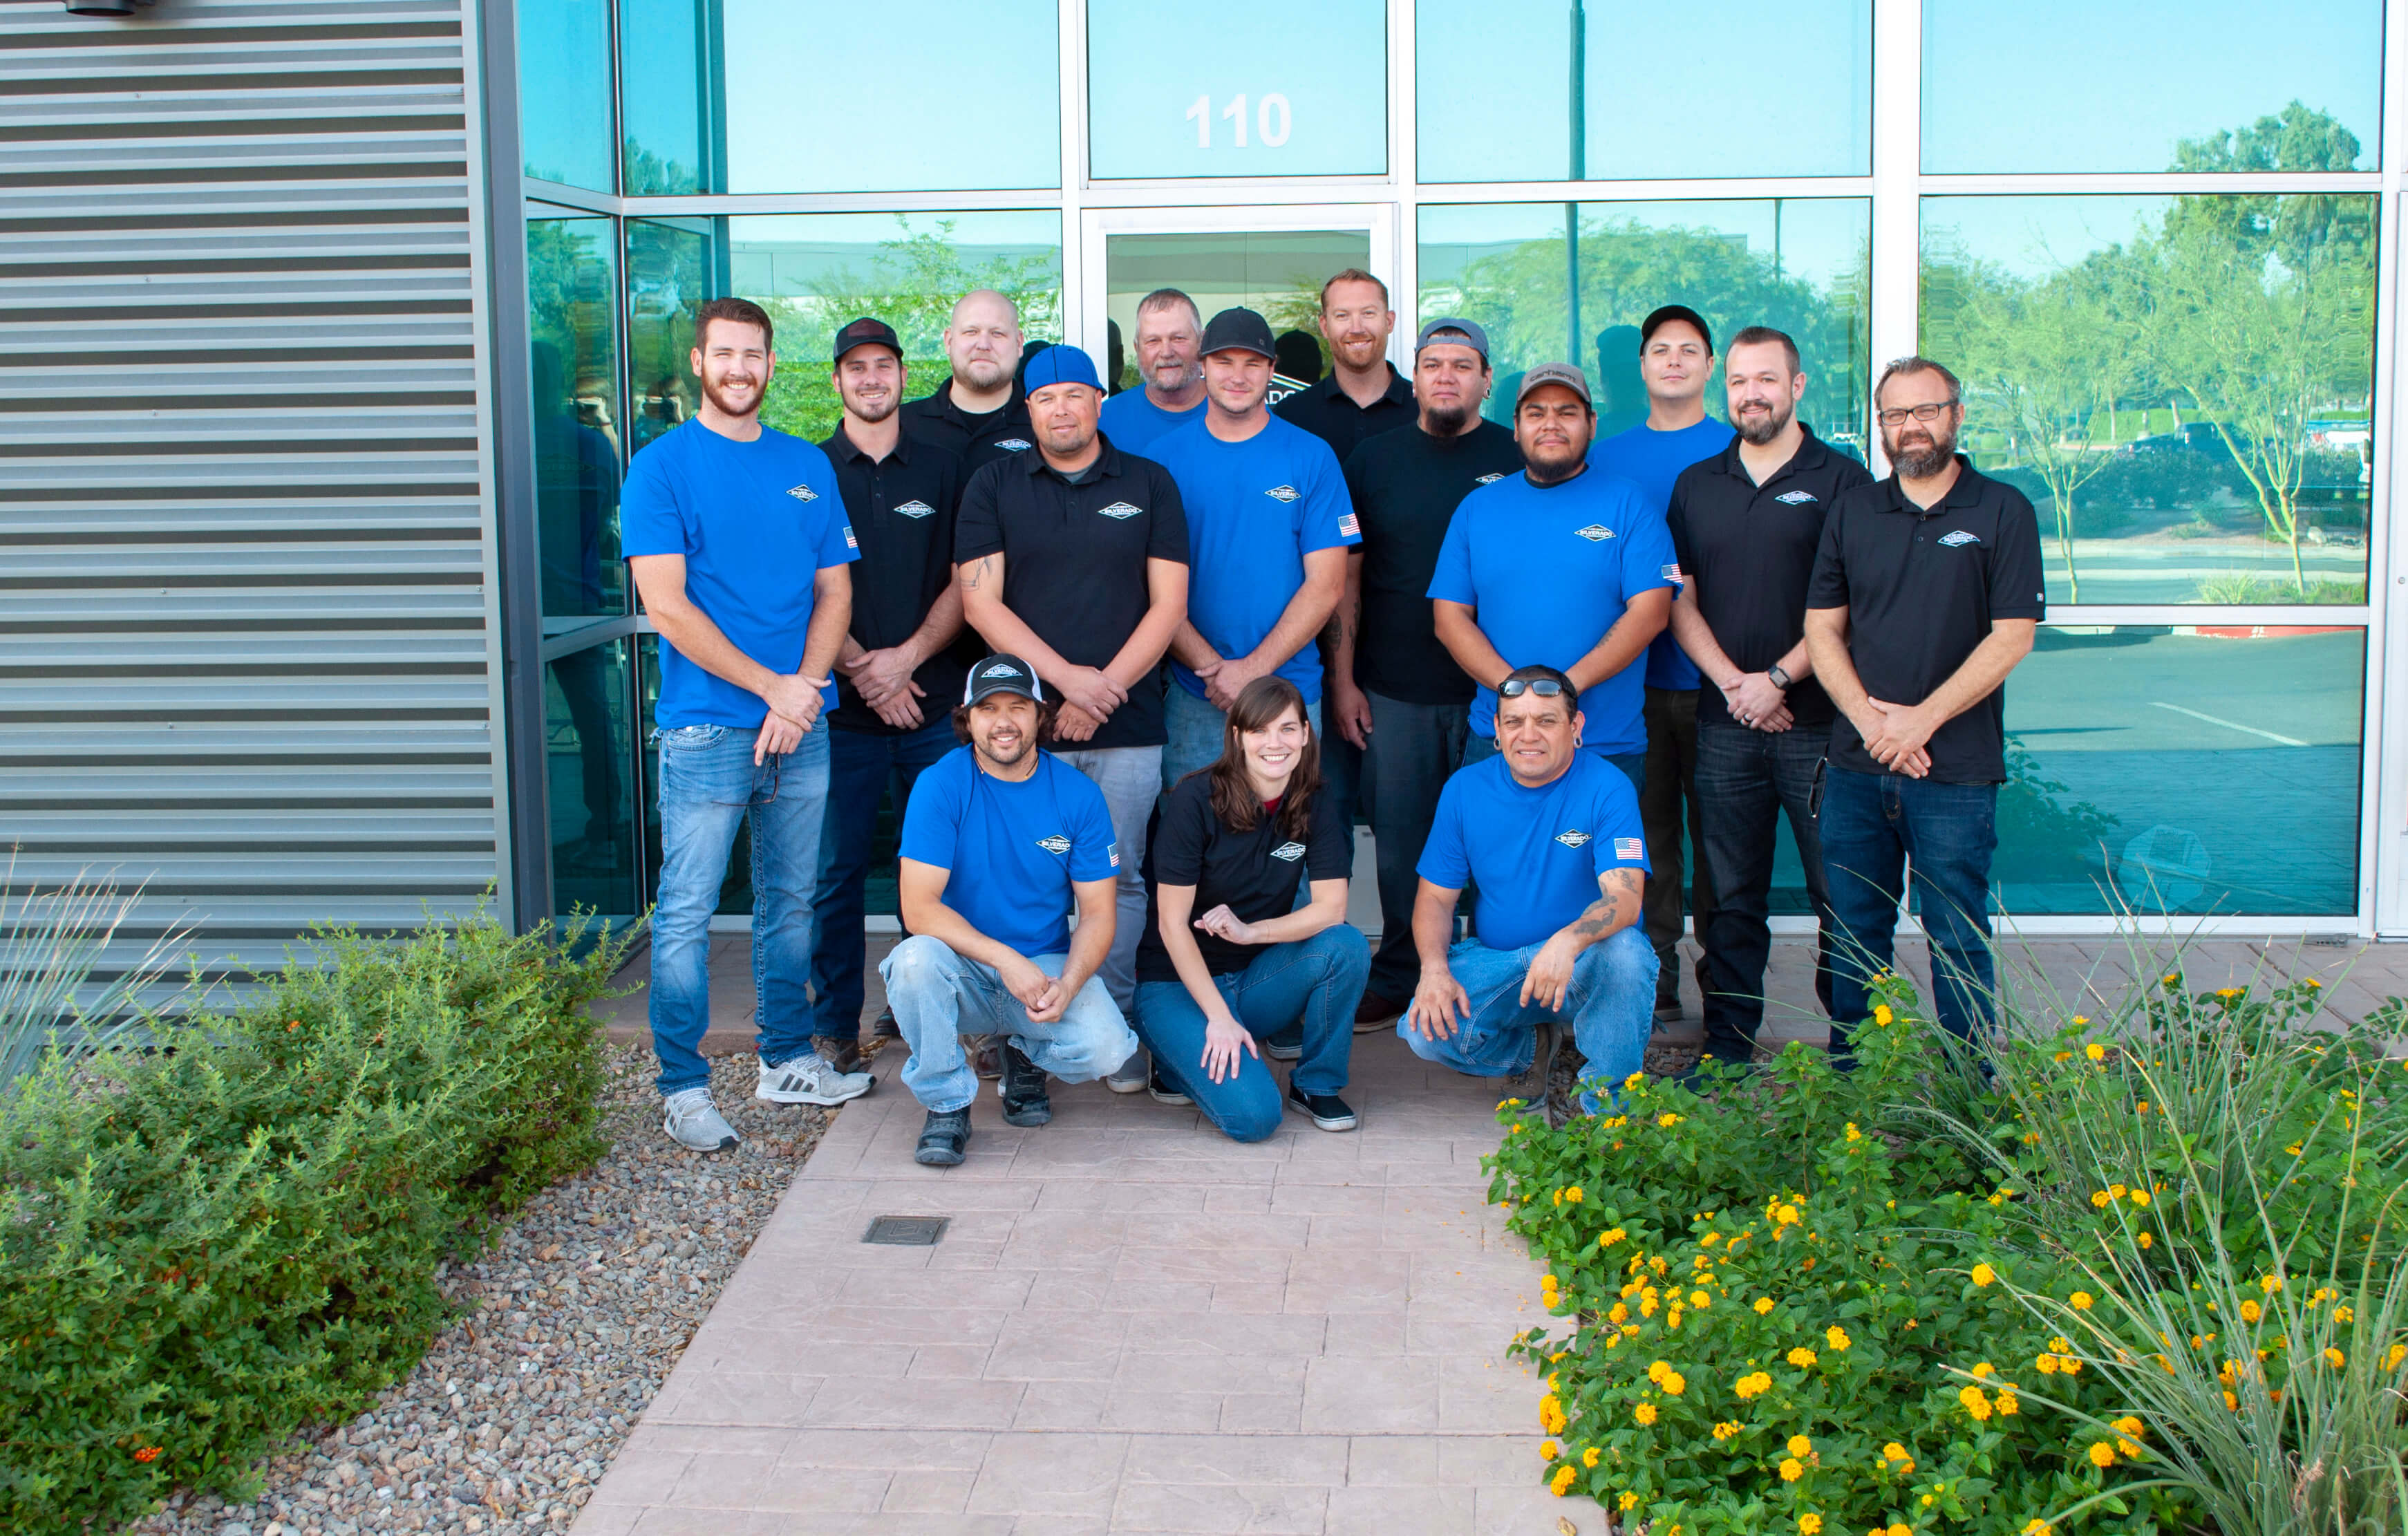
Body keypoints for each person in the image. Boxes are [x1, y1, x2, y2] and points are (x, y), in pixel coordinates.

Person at [623, 297, 876, 1152]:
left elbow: (834, 589)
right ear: (698, 362)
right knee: (689, 909)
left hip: (802, 720)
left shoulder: (806, 463)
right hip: (707, 727)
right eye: (724, 354)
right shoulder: (660, 468)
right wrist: (774, 686)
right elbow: (666, 604)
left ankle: (785, 1057)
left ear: (772, 363)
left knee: (791, 901)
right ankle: (683, 1085)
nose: (740, 368)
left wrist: (803, 687)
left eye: (754, 354)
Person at [1803, 357, 2044, 1065]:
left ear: (1956, 415)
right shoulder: (1853, 509)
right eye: (1894, 414)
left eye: (1924, 410)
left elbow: (2013, 635)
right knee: (1852, 930)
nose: (1909, 427)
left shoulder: (2002, 510)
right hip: (1856, 766)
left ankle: (1969, 1089)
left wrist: (1919, 721)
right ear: (1879, 425)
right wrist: (1877, 727)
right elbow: (1821, 629)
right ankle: (1853, 1083)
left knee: (1957, 931)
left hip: (1954, 772)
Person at [956, 344, 1189, 1030]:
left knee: (1116, 881)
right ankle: (1016, 1027)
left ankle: (1105, 1019)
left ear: (1098, 401)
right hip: (1022, 727)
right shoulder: (992, 485)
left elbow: (1168, 605)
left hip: (1129, 724)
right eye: (1046, 398)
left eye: (1075, 394)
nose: (1061, 409)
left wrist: (1105, 690)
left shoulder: (1150, 483)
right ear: (1028, 408)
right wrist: (1064, 687)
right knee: (1013, 880)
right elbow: (980, 604)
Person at [1669, 326, 1874, 1074]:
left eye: (1765, 379)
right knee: (1727, 894)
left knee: (1839, 890)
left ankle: (1854, 1049)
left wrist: (1778, 680)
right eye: (1738, 381)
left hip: (1819, 725)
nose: (1750, 393)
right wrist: (1734, 683)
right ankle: (1727, 1047)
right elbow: (1678, 597)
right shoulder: (1697, 482)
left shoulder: (1843, 480)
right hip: (1725, 721)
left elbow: (1849, 601)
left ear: (1797, 385)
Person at [1326, 318, 1524, 1029]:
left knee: (1498, 848)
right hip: (1394, 688)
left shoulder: (1517, 452)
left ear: (1485, 379)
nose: (1446, 376)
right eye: (1433, 363)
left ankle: (1494, 979)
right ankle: (1404, 971)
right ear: (1414, 376)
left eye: (1462, 364)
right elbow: (1346, 580)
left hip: (1498, 695)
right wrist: (1343, 679)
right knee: (1404, 847)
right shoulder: (1373, 460)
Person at [881, 655, 1138, 1166]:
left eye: (1018, 707)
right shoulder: (940, 784)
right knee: (912, 964)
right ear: (967, 718)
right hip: (962, 966)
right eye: (988, 708)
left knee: (1110, 1049)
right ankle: (947, 1104)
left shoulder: (1077, 795)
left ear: (1040, 716)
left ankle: (1022, 1051)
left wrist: (1069, 982)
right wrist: (1004, 960)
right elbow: (918, 909)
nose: (1003, 722)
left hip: (1041, 971)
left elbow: (1098, 915)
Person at [806, 317, 972, 1074]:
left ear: (904, 375)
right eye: (856, 369)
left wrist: (904, 661)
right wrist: (861, 669)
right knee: (835, 871)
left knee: (942, 870)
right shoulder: (804, 471)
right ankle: (836, 1022)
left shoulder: (945, 466)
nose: (871, 379)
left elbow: (967, 581)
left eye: (884, 366)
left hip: (934, 707)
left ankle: (922, 1005)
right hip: (840, 715)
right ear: (836, 380)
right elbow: (794, 586)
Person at [1400, 664, 1657, 1110]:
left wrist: (1566, 941)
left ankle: (1611, 1113)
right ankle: (1530, 1051)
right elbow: (1435, 900)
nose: (1529, 735)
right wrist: (1434, 970)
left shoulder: (1608, 787)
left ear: (1575, 727)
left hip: (1582, 962)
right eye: (1515, 722)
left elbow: (1625, 898)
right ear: (1496, 730)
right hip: (1504, 967)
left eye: (1546, 721)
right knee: (1422, 1030)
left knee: (1628, 954)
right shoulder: (1464, 790)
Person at [1134, 676, 1368, 1141]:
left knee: (1346, 945)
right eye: (1259, 731)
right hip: (1176, 985)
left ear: (1305, 732)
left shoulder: (1313, 800)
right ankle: (1175, 1055)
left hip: (1256, 977)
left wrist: (1252, 933)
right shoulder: (1194, 800)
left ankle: (1315, 1083)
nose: (1274, 744)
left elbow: (1330, 909)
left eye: (1286, 729)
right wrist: (1219, 1017)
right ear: (1238, 737)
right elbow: (1171, 923)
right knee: (1254, 1119)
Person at [1429, 364, 1677, 794]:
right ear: (1516, 427)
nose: (1551, 424)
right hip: (1499, 743)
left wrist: (1558, 693)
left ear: (1591, 424)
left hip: (1603, 745)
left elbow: (1651, 613)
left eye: (1567, 412)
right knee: (1494, 863)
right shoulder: (1478, 508)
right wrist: (1516, 696)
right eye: (1536, 412)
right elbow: (1448, 618)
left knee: (1610, 865)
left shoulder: (1630, 503)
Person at [1591, 306, 1731, 1027]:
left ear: (1710, 366)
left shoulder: (1742, 449)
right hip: (1631, 686)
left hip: (1722, 686)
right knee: (1645, 842)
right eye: (1659, 351)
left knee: (1722, 841)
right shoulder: (1607, 460)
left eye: (1688, 350)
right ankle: (1656, 976)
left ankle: (1729, 984)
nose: (1673, 361)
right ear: (1641, 368)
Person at [1152, 306, 1360, 786]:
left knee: (1290, 848)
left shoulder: (1312, 457)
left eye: (1253, 363)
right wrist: (1213, 671)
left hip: (1289, 695)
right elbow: (1149, 585)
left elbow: (1327, 585)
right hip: (1194, 696)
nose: (1238, 376)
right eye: (1225, 361)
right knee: (1195, 848)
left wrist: (1251, 672)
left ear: (1272, 369)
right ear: (1202, 365)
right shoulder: (1162, 462)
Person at [1274, 270, 1414, 464]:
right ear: (1324, 326)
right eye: (1342, 316)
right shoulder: (1290, 417)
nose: (1356, 328)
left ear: (1389, 322)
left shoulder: (1424, 411)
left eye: (1368, 313)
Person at [899, 289, 1035, 470]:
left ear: (1019, 344)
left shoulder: (1046, 426)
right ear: (949, 341)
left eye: (997, 334)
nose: (984, 345)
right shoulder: (901, 426)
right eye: (971, 332)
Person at [1097, 288, 1207, 455]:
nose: (1167, 352)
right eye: (1153, 341)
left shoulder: (1234, 411)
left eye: (1178, 338)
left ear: (1201, 342)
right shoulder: (1104, 422)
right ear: (1137, 348)